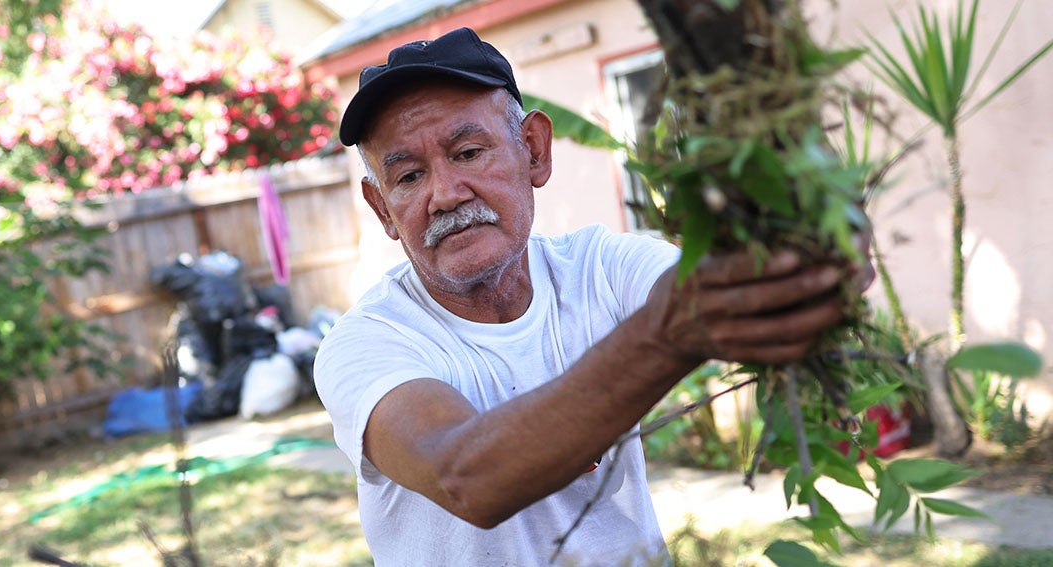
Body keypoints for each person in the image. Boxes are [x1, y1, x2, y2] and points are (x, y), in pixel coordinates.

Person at [314, 27, 867, 566]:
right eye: (408, 177)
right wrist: (681, 326)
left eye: (467, 152)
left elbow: (709, 286)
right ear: (382, 208)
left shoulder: (600, 267)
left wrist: (800, 253)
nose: (444, 195)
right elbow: (466, 476)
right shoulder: (365, 345)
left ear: (534, 150)